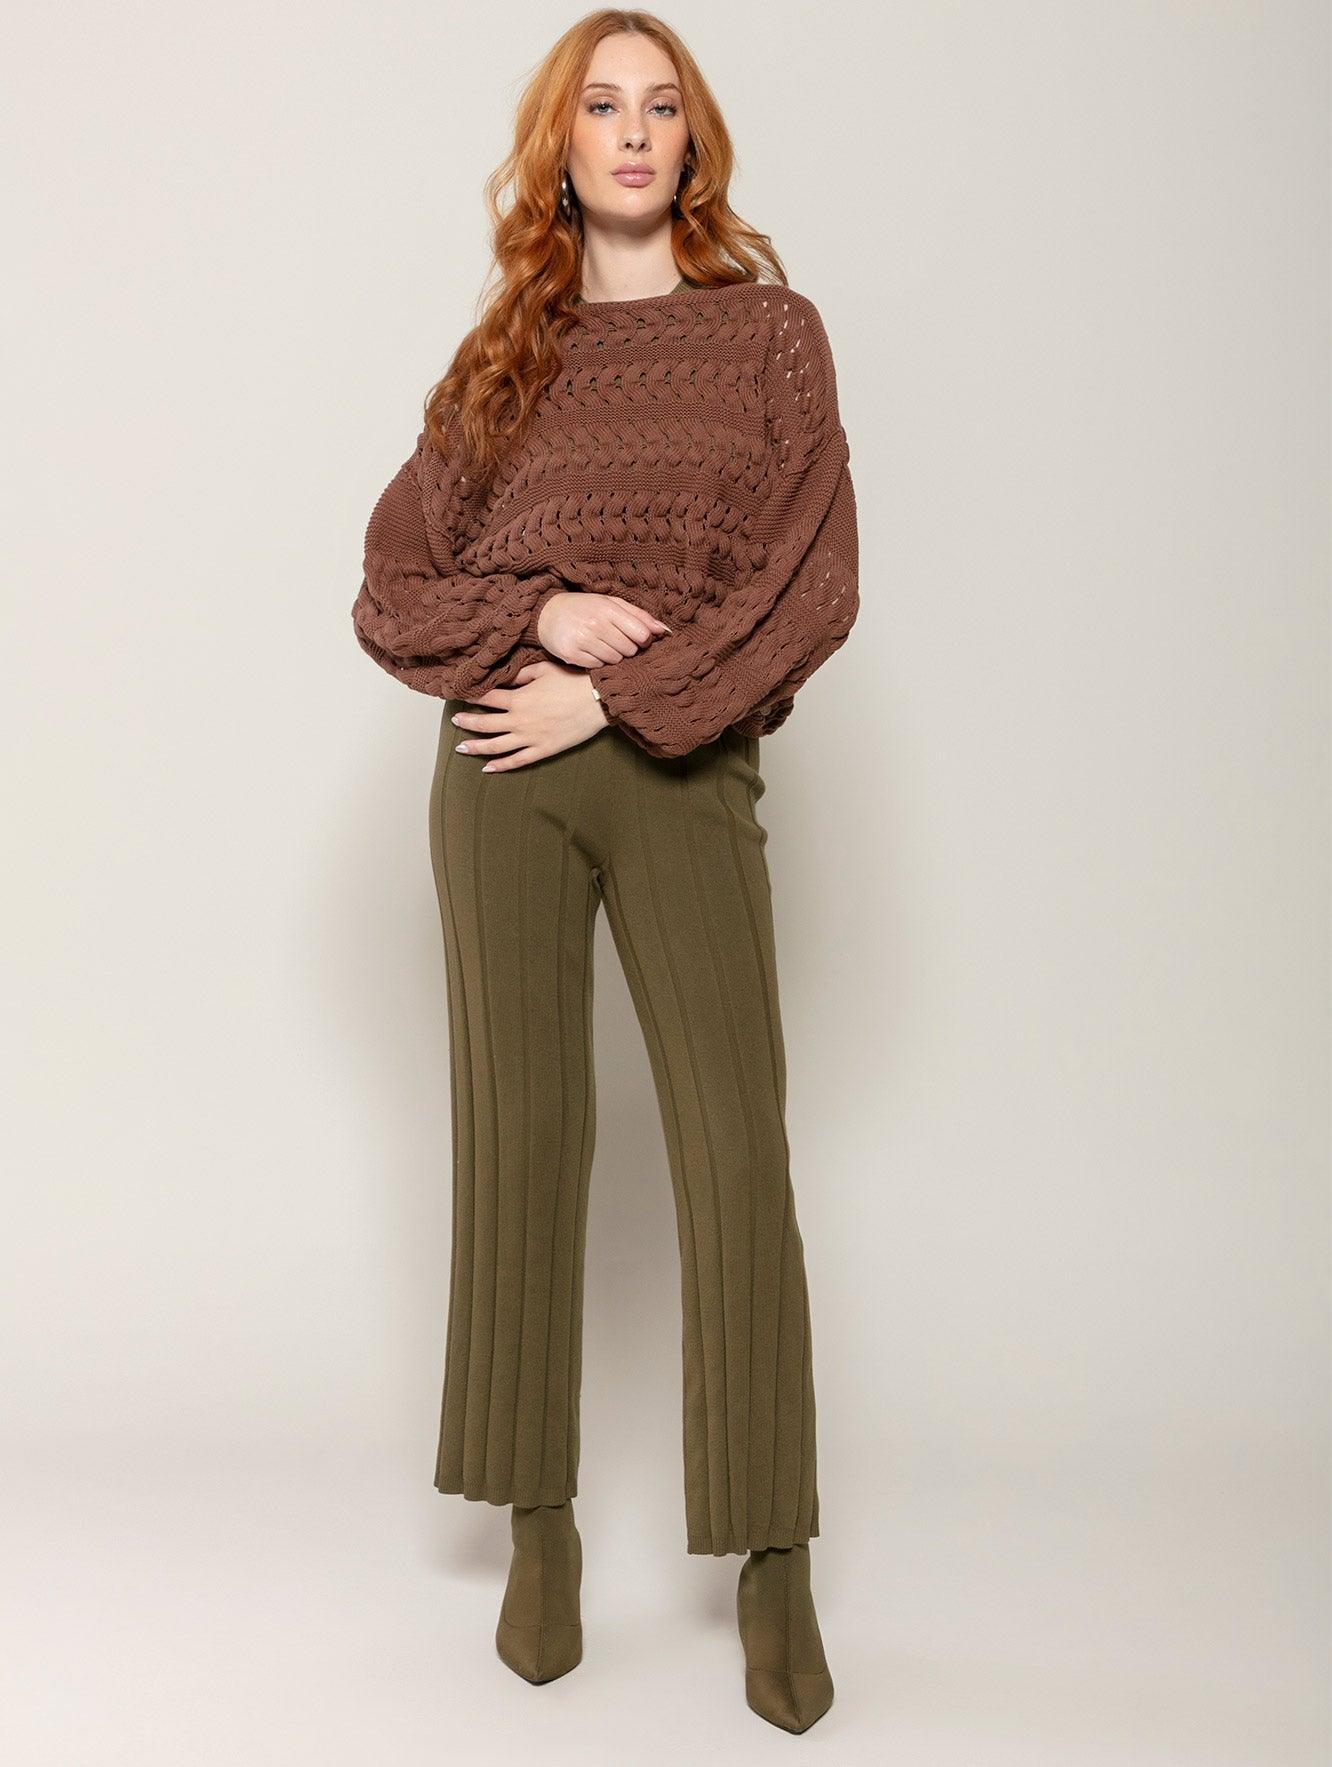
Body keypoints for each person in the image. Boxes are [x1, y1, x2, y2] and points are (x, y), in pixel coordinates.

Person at [351, 9, 858, 1735]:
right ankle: (538, 1529)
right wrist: (541, 613)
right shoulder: (505, 355)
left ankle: (773, 1556)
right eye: (601, 108)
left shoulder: (771, 336)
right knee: (521, 1142)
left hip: (682, 767)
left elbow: (811, 586)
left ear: (692, 142)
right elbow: (393, 587)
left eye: (660, 106)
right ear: (559, 149)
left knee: (734, 1148)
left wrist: (621, 693)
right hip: (502, 769)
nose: (633, 132)